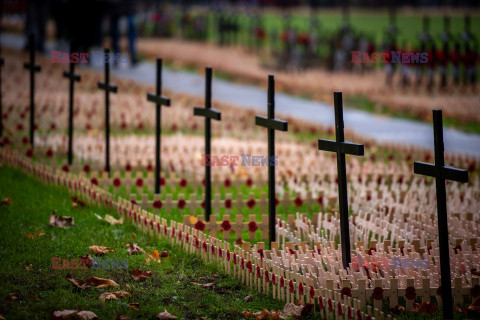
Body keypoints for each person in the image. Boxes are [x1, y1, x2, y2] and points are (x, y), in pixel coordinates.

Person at [109, 0, 138, 66]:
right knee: (115, 34)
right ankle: (116, 57)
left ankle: (133, 56)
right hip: (116, 8)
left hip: (128, 7)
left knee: (131, 31)